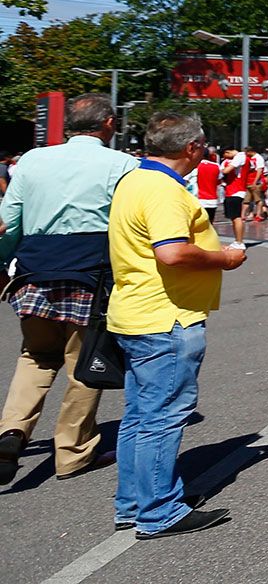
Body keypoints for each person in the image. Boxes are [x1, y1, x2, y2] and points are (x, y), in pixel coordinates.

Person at [106, 111, 248, 537]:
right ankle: (157, 511)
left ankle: (133, 502)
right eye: (202, 145)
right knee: (163, 416)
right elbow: (171, 252)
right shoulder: (163, 190)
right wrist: (224, 258)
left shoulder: (133, 179)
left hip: (136, 310)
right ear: (191, 148)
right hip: (164, 317)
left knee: (140, 415)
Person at [0, 94, 135, 484]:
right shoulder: (122, 164)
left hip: (34, 270)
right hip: (89, 274)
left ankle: (12, 430)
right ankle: (73, 452)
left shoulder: (32, 159)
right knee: (82, 364)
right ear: (108, 123)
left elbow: (10, 221)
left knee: (37, 355)